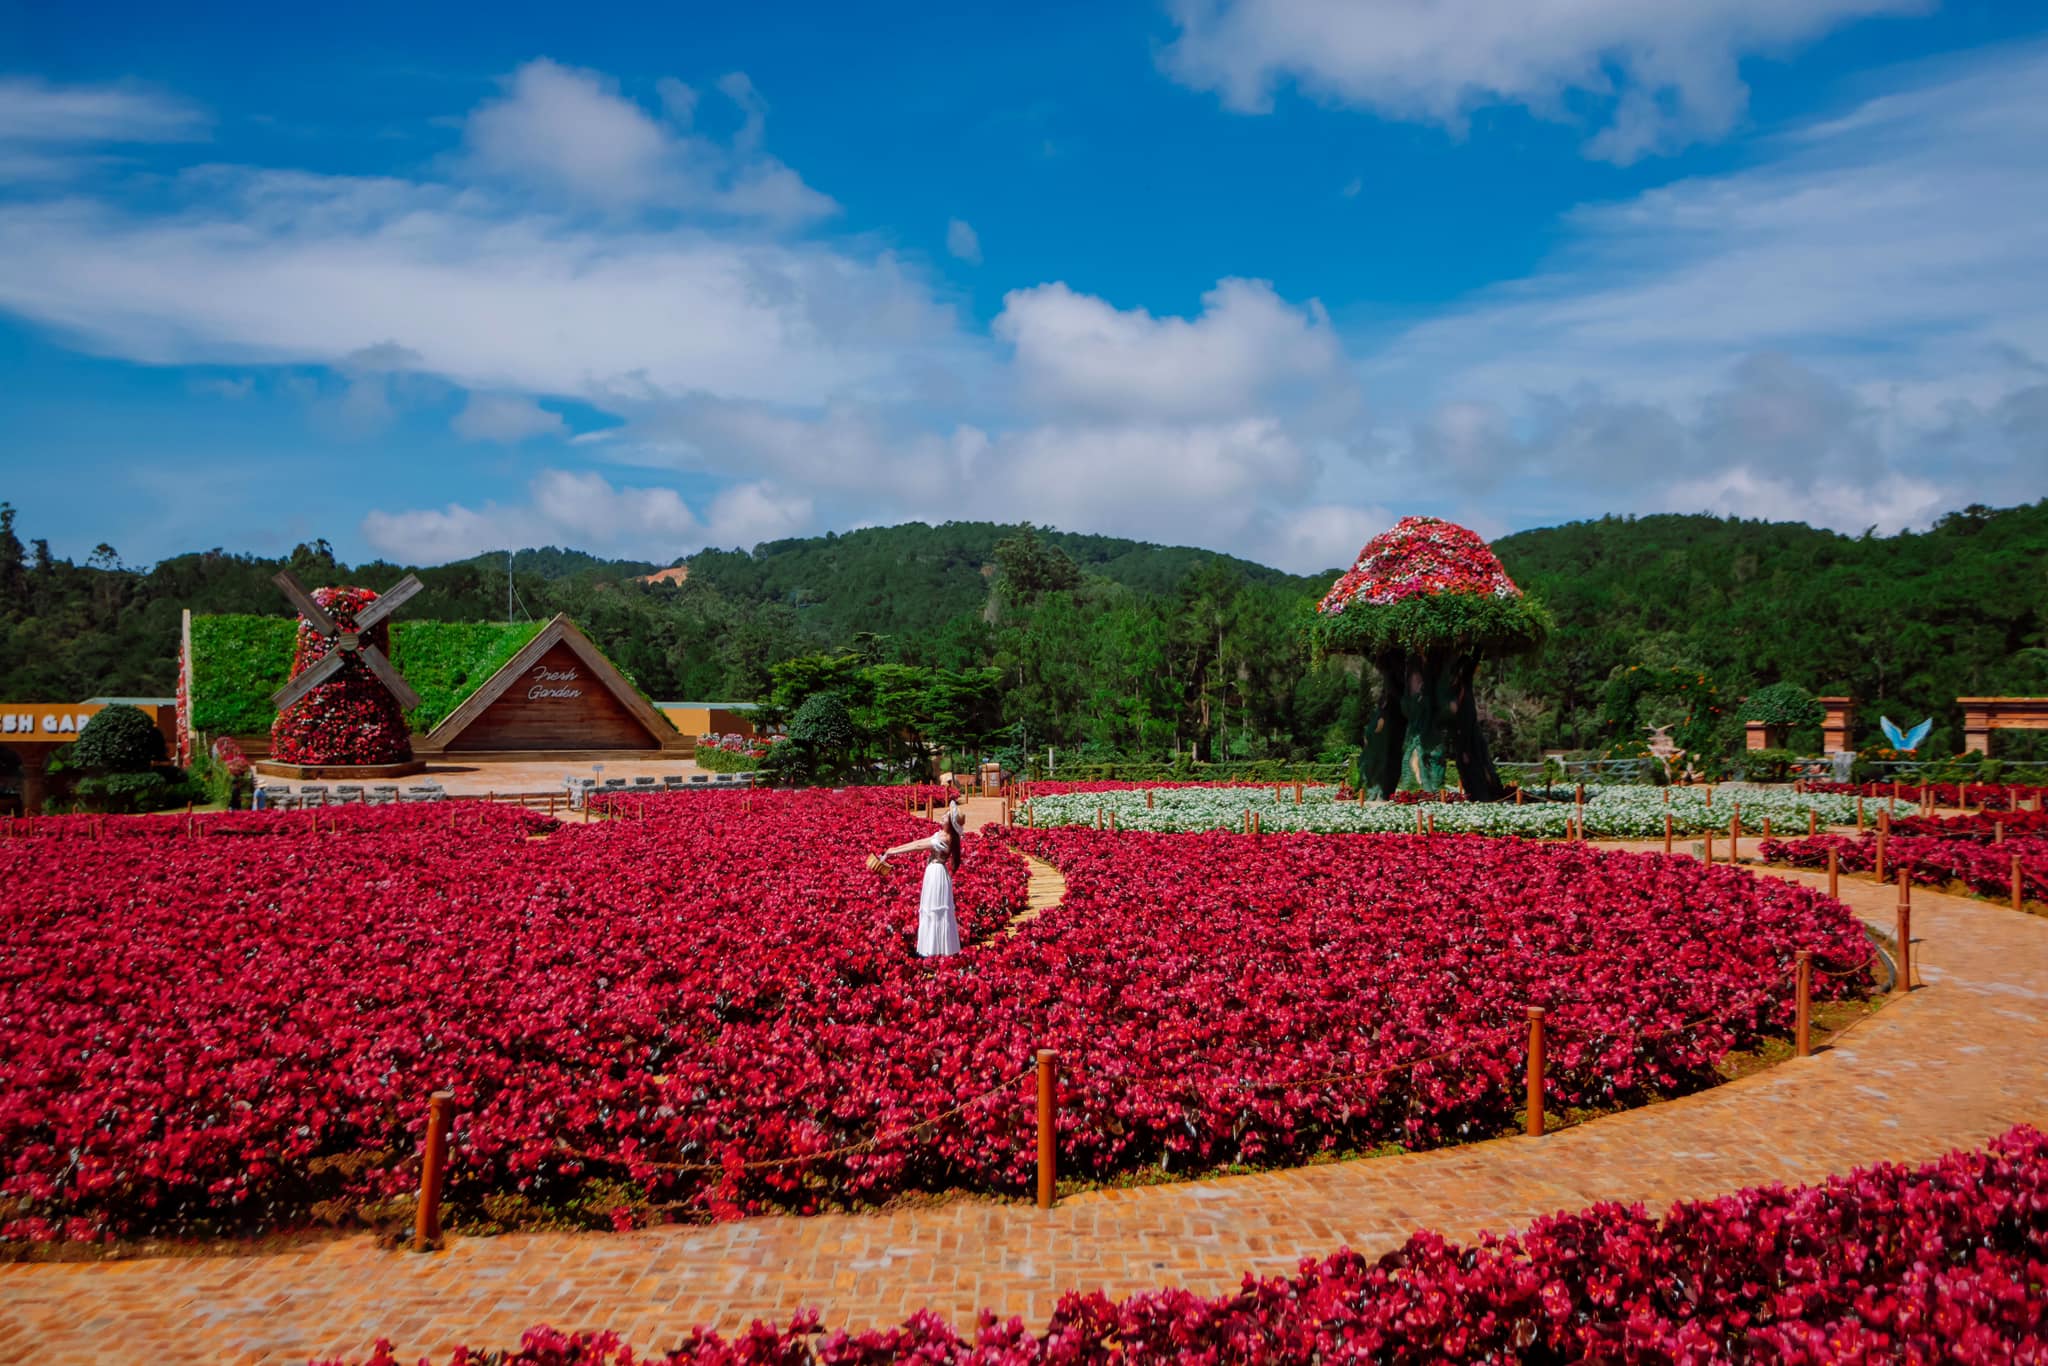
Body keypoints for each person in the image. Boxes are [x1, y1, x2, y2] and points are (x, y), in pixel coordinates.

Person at [875, 802, 965, 957]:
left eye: (946, 815)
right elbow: (917, 843)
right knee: (935, 908)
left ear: (950, 823)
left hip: (936, 873)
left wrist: (893, 852)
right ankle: (937, 949)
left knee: (934, 908)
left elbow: (918, 846)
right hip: (937, 873)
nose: (942, 816)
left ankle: (932, 950)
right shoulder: (943, 835)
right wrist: (892, 851)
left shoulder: (945, 837)